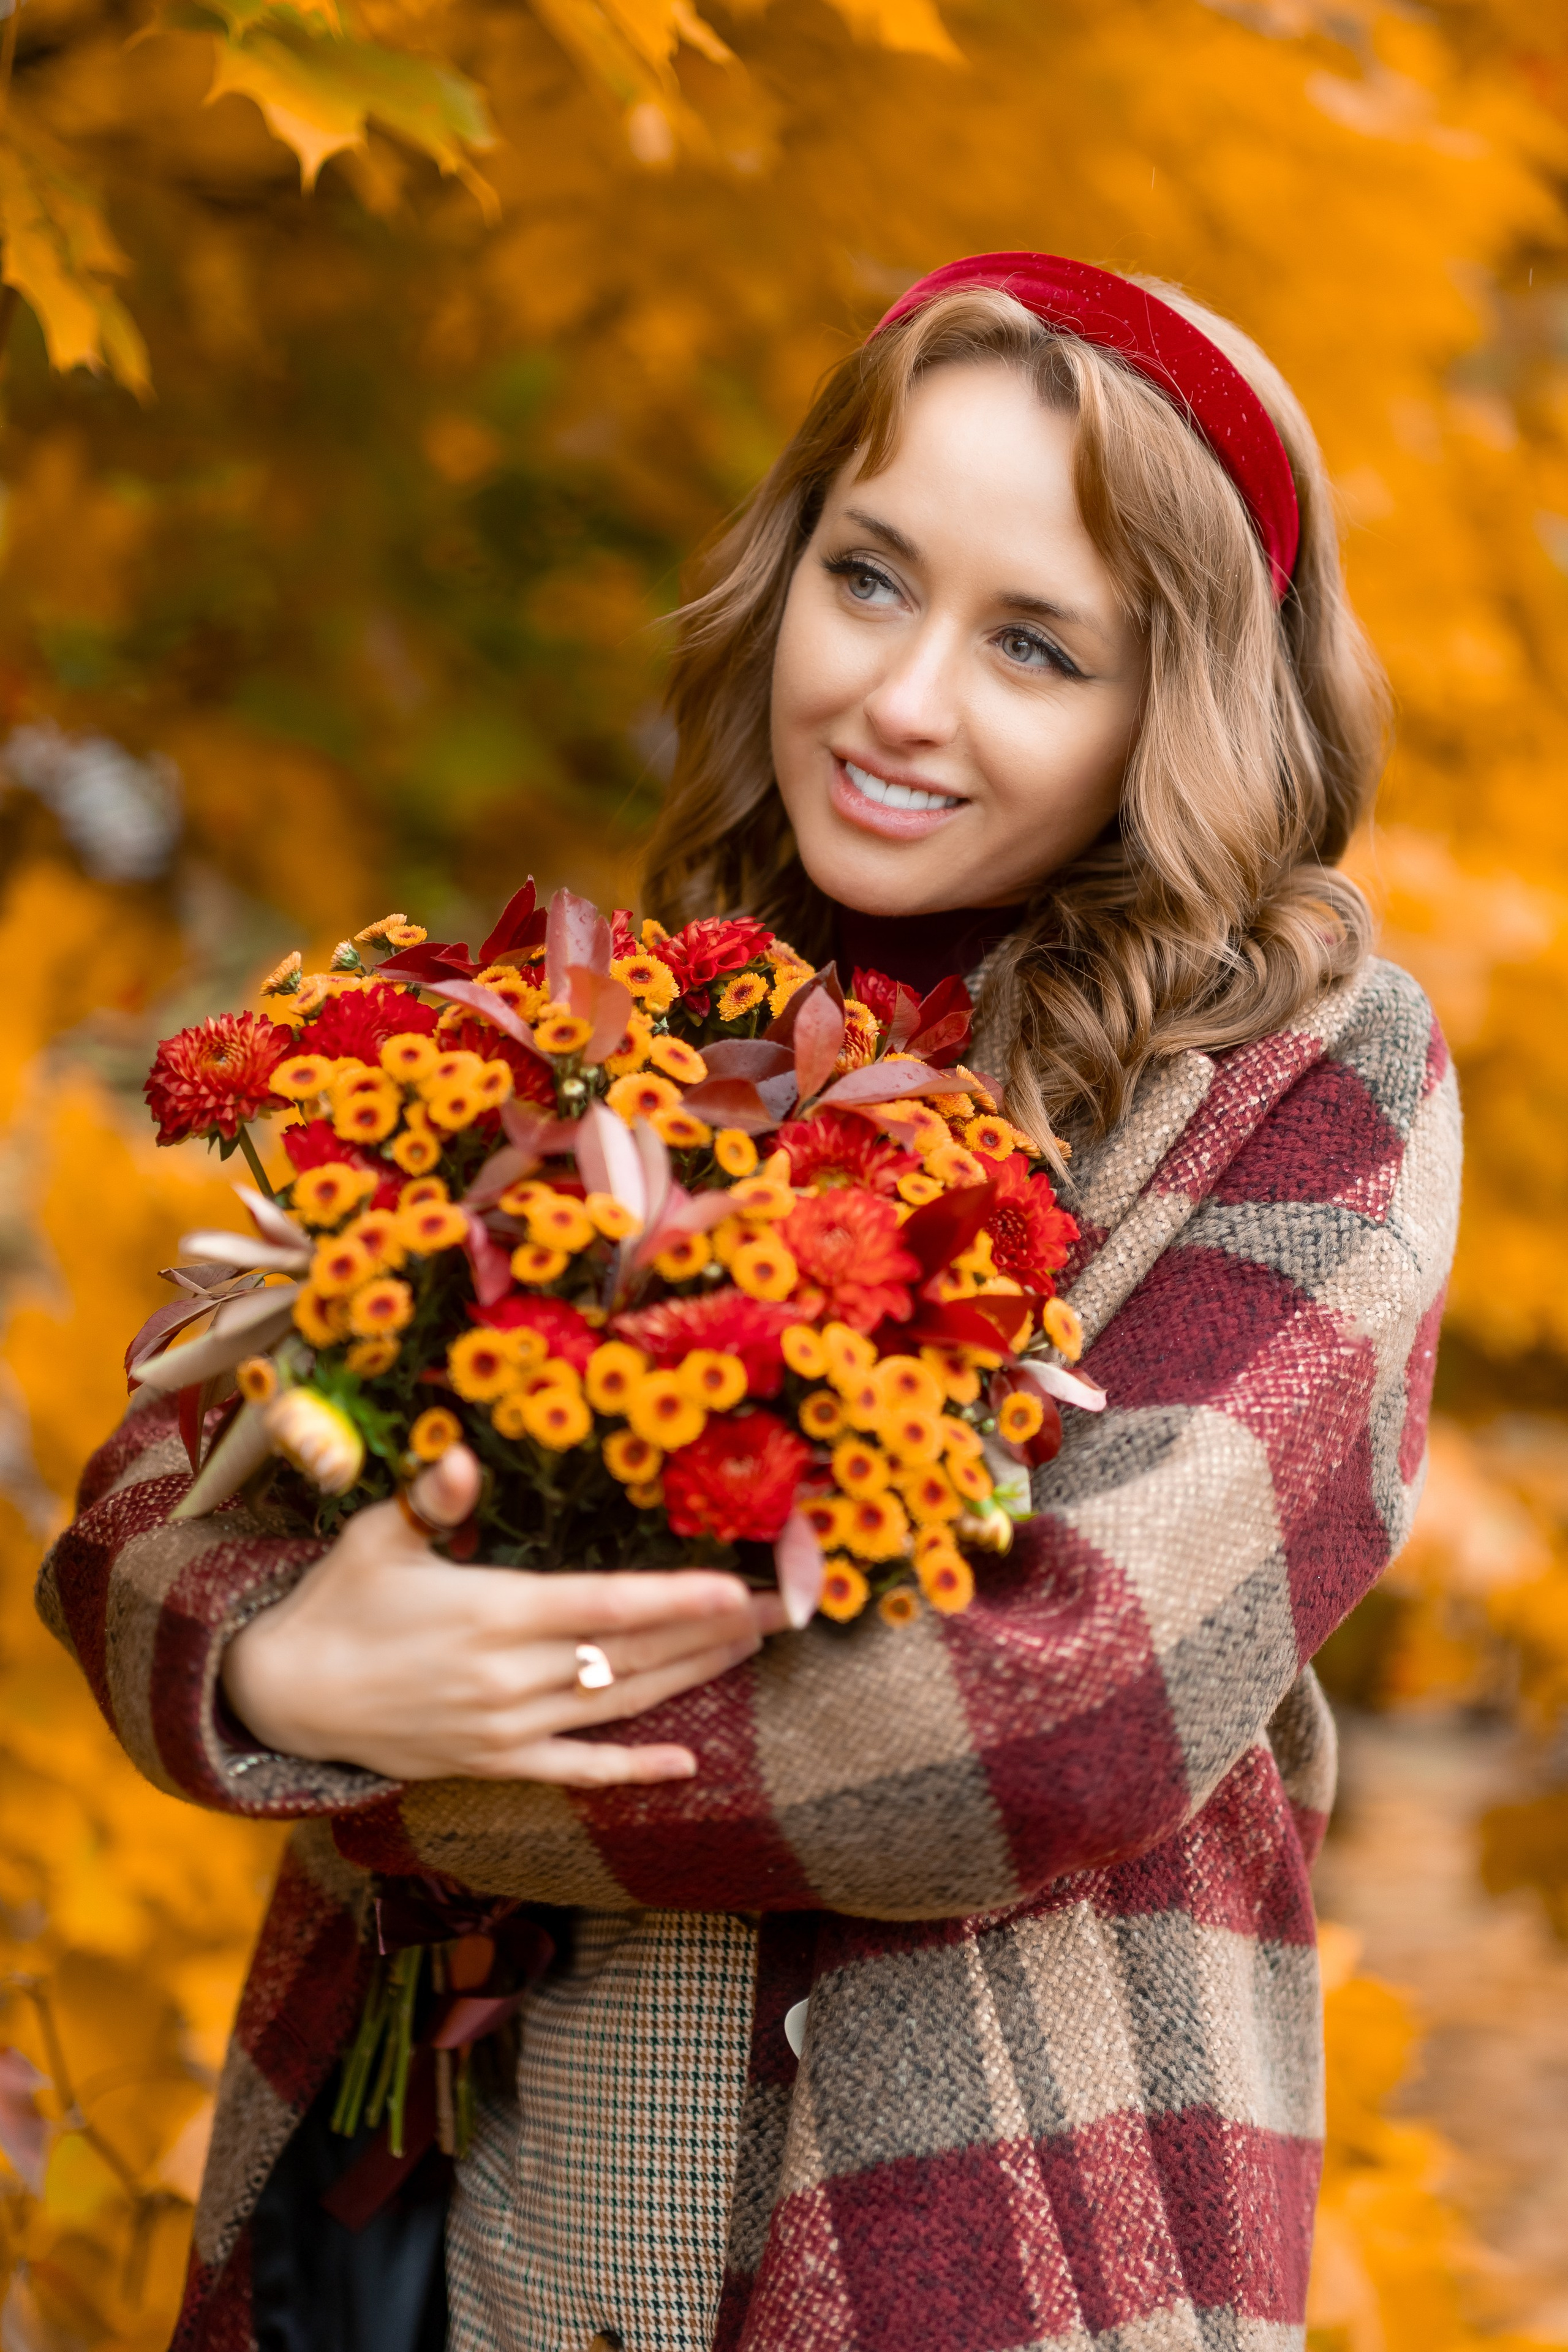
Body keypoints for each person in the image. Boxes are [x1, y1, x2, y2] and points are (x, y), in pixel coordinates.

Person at [39, 254, 1460, 2352]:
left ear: (1186, 706)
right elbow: (160, 1485)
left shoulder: (1299, 1077)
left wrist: (357, 1727)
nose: (901, 699)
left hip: (949, 2247)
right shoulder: (633, 1015)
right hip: (414, 2225)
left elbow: (1055, 1708)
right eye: (870, 578)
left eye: (1036, 646)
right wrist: (259, 1660)